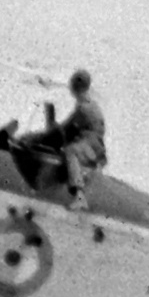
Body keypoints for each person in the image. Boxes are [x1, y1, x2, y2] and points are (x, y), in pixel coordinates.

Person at [36, 69, 107, 209]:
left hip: (90, 147)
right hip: (95, 148)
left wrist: (49, 131)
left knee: (71, 151)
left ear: (74, 88)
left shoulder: (84, 108)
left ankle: (79, 196)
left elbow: (67, 129)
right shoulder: (92, 105)